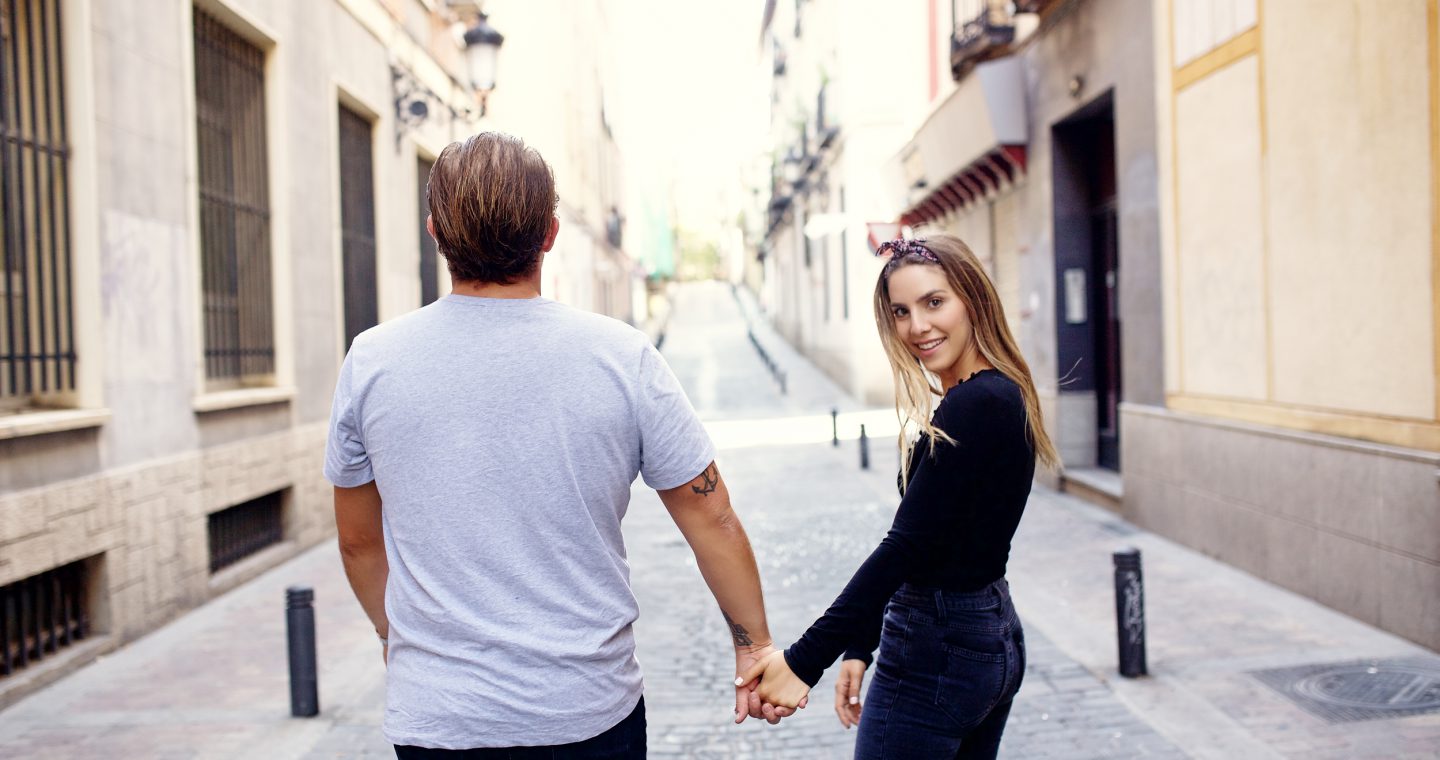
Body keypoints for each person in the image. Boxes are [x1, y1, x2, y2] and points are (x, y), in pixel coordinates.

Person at [326, 132, 796, 758]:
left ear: (435, 232)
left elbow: (359, 540)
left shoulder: (372, 361)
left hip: (439, 715)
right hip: (588, 710)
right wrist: (754, 644)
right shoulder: (621, 356)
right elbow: (712, 515)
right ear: (550, 233)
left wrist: (397, 638)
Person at [738, 235, 1059, 758]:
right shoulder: (993, 395)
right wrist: (861, 643)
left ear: (973, 298)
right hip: (983, 636)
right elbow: (934, 538)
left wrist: (803, 661)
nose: (917, 327)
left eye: (935, 302)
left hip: (940, 650)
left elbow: (906, 546)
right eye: (901, 312)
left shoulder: (974, 405)